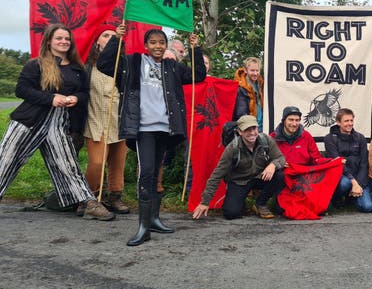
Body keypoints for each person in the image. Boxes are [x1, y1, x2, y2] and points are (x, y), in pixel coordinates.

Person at [98, 25, 206, 246]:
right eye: (153, 43)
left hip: (166, 128)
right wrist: (117, 39)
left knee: (156, 172)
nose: (158, 46)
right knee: (146, 172)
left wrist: (195, 50)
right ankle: (143, 226)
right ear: (146, 46)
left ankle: (155, 219)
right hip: (143, 128)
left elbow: (198, 75)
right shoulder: (133, 62)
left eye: (162, 42)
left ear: (166, 45)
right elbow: (105, 65)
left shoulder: (172, 66)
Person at [0, 23, 113, 220]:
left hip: (58, 124)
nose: (64, 42)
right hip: (28, 122)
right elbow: (22, 90)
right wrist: (50, 99)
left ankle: (88, 203)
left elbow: (84, 93)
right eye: (59, 38)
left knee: (67, 164)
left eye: (67, 39)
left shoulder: (77, 69)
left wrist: (76, 98)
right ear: (49, 41)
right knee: (7, 159)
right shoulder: (35, 64)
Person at [193, 115, 286, 220]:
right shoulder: (232, 148)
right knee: (231, 213)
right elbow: (217, 175)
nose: (252, 133)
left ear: (257, 128)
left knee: (280, 176)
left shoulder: (266, 140)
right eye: (247, 129)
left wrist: (273, 165)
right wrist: (205, 202)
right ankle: (241, 203)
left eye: (254, 128)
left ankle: (260, 203)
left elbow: (280, 158)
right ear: (239, 132)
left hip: (260, 177)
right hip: (240, 181)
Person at [82, 25, 129, 215]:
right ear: (97, 41)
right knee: (97, 162)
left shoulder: (124, 64)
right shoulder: (86, 65)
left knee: (118, 162)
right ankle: (88, 199)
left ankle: (114, 197)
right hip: (95, 119)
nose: (109, 38)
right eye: (105, 35)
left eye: (113, 35)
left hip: (118, 119)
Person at [323, 108, 372, 213]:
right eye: (346, 121)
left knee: (367, 207)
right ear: (338, 122)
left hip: (358, 176)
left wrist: (358, 184)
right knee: (344, 184)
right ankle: (336, 198)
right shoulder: (329, 139)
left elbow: (364, 163)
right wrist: (353, 182)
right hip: (341, 176)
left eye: (351, 120)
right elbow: (338, 163)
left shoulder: (360, 138)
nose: (349, 124)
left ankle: (351, 198)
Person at [233, 57, 264, 131]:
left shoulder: (261, 84)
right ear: (246, 70)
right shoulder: (241, 88)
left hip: (262, 126)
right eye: (252, 70)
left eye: (257, 70)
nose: (255, 73)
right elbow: (241, 113)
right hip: (250, 128)